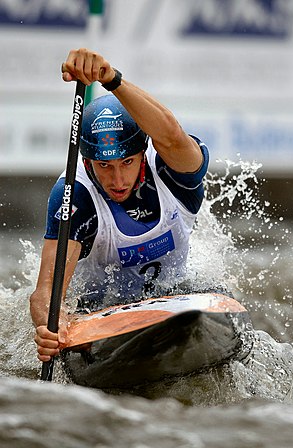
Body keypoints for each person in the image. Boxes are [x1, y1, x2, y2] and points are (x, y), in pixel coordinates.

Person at [30, 48, 209, 363]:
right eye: (104, 166)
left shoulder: (174, 171)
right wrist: (52, 326)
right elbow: (46, 292)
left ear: (143, 153)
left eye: (127, 162)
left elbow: (170, 132)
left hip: (178, 293)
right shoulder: (75, 194)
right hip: (100, 310)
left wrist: (111, 79)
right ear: (87, 161)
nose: (117, 179)